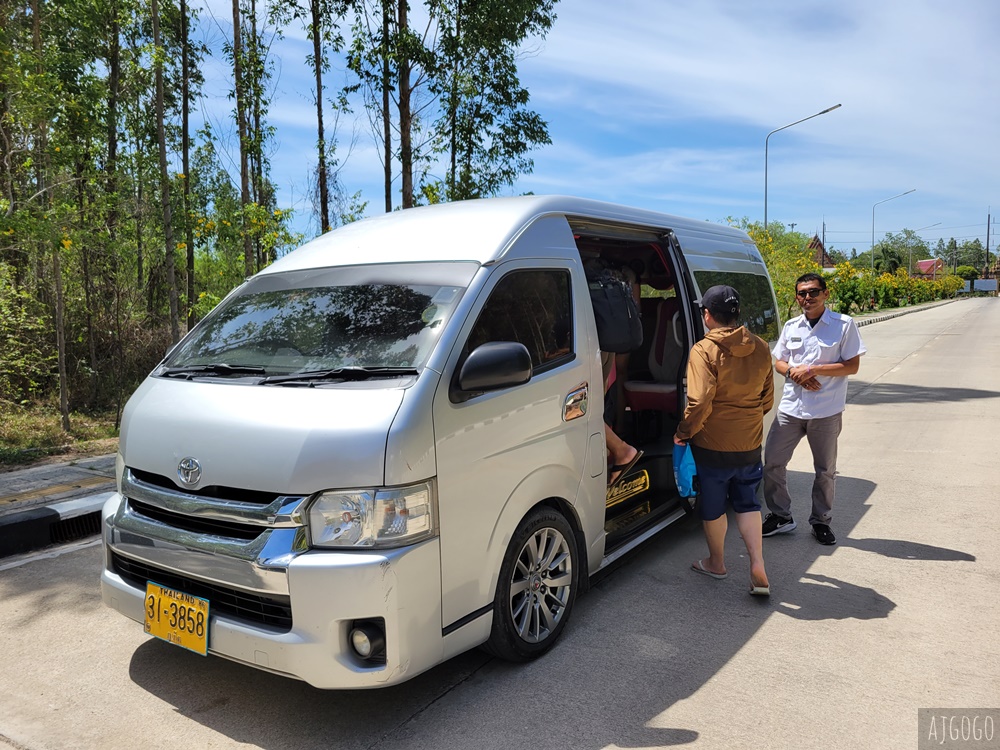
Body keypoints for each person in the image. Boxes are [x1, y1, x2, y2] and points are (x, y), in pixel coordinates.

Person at [674, 285, 774, 596]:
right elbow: (767, 400)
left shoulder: (703, 350)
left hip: (713, 445)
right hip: (749, 443)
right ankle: (757, 562)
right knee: (747, 503)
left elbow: (700, 401)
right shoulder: (759, 347)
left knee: (714, 507)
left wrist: (683, 433)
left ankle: (716, 563)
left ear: (707, 315)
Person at [762, 272, 867, 546]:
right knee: (772, 461)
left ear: (825, 294)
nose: (807, 298)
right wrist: (795, 373)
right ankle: (781, 516)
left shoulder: (843, 325)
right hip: (790, 409)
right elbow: (779, 362)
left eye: (813, 292)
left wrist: (813, 369)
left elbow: (852, 366)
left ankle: (821, 521)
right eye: (802, 293)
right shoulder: (792, 326)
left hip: (825, 411)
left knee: (824, 471)